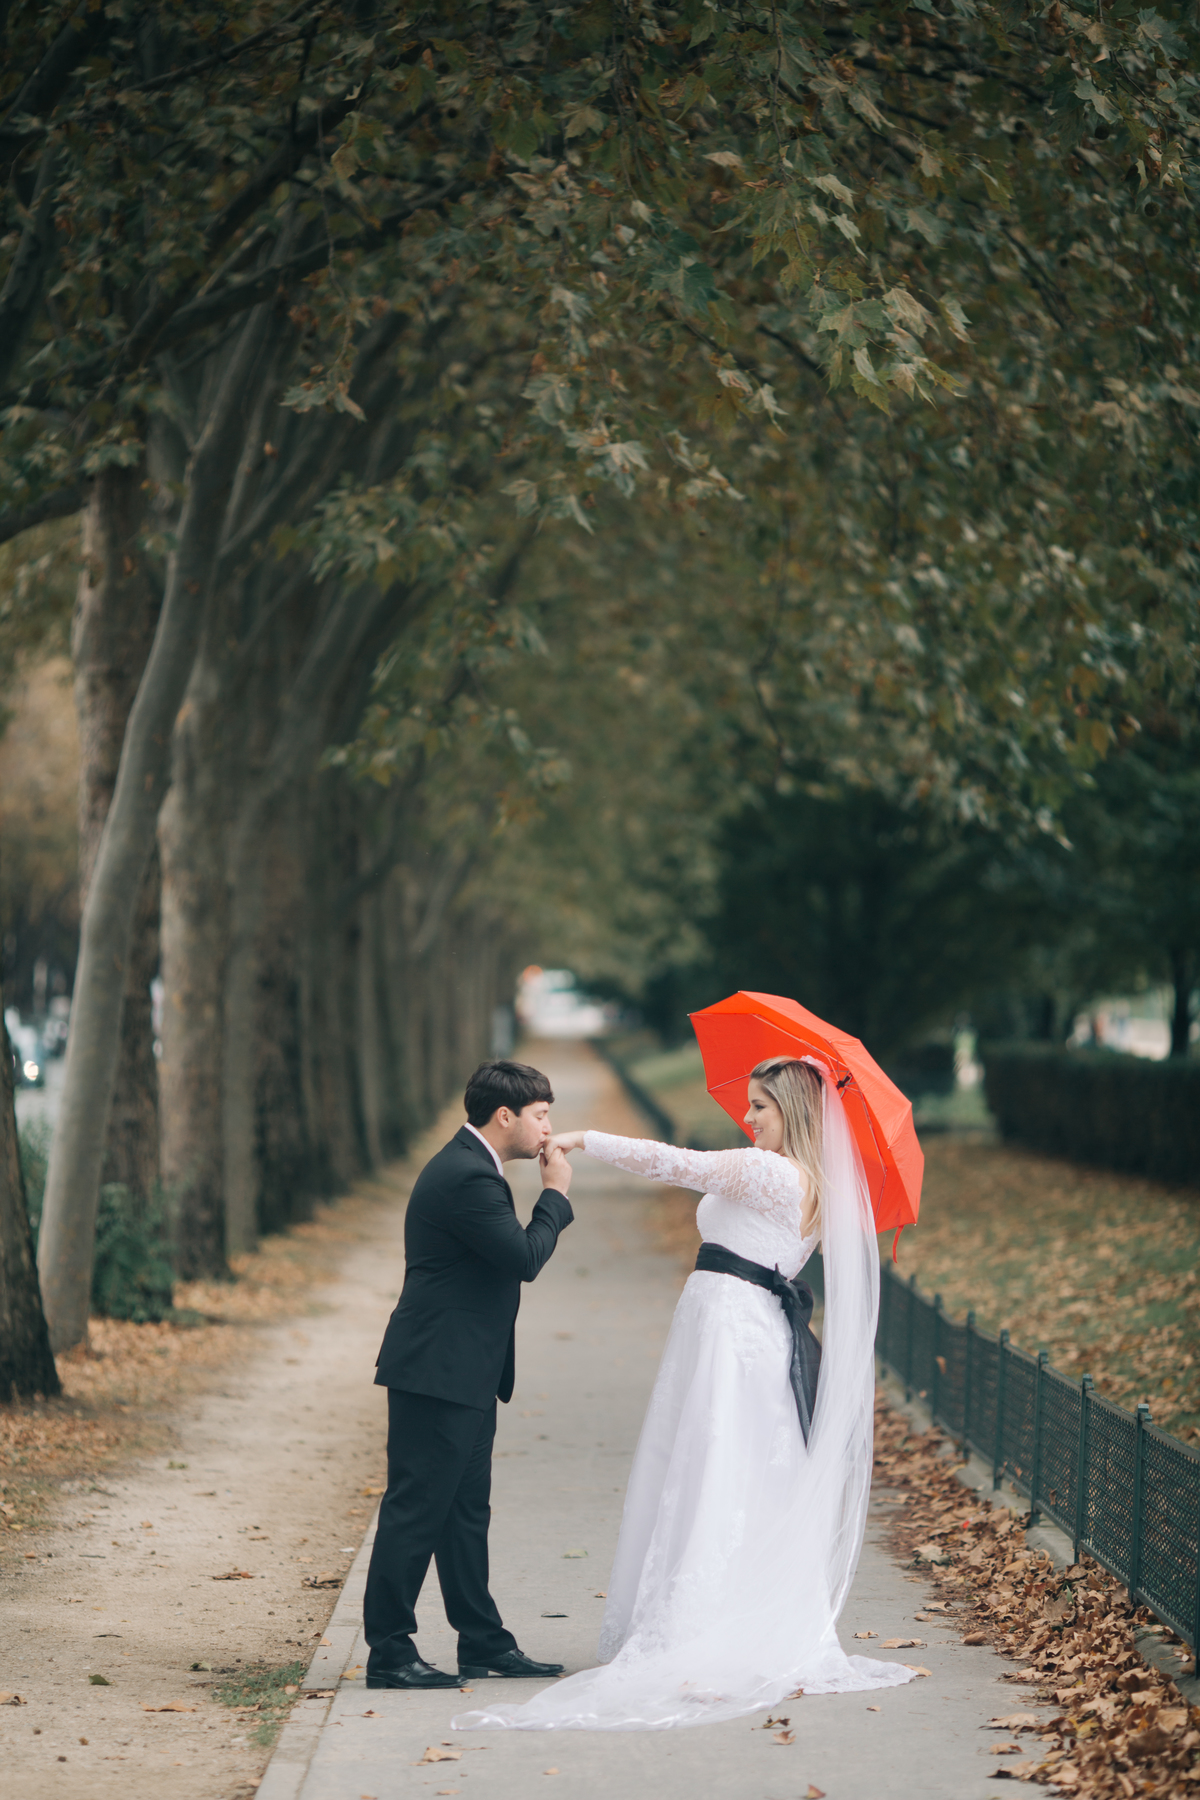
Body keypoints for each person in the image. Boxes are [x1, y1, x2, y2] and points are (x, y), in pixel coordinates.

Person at [454, 1055, 917, 1732]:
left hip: (731, 1332)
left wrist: (588, 1141)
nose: (749, 1116)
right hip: (743, 1330)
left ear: (792, 1111)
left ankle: (697, 1636)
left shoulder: (767, 1171)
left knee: (714, 1465)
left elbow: (679, 1165)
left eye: (761, 1105)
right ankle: (738, 1622)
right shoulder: (816, 1183)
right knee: (748, 1467)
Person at [364, 1059, 576, 1689]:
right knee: (415, 1510)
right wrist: (557, 1196)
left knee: (463, 1514)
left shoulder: (476, 1167)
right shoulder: (467, 1177)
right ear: (505, 1115)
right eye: (541, 1114)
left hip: (465, 1371)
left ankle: (482, 1642)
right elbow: (524, 1257)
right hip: (437, 1369)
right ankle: (390, 1654)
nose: (548, 1127)